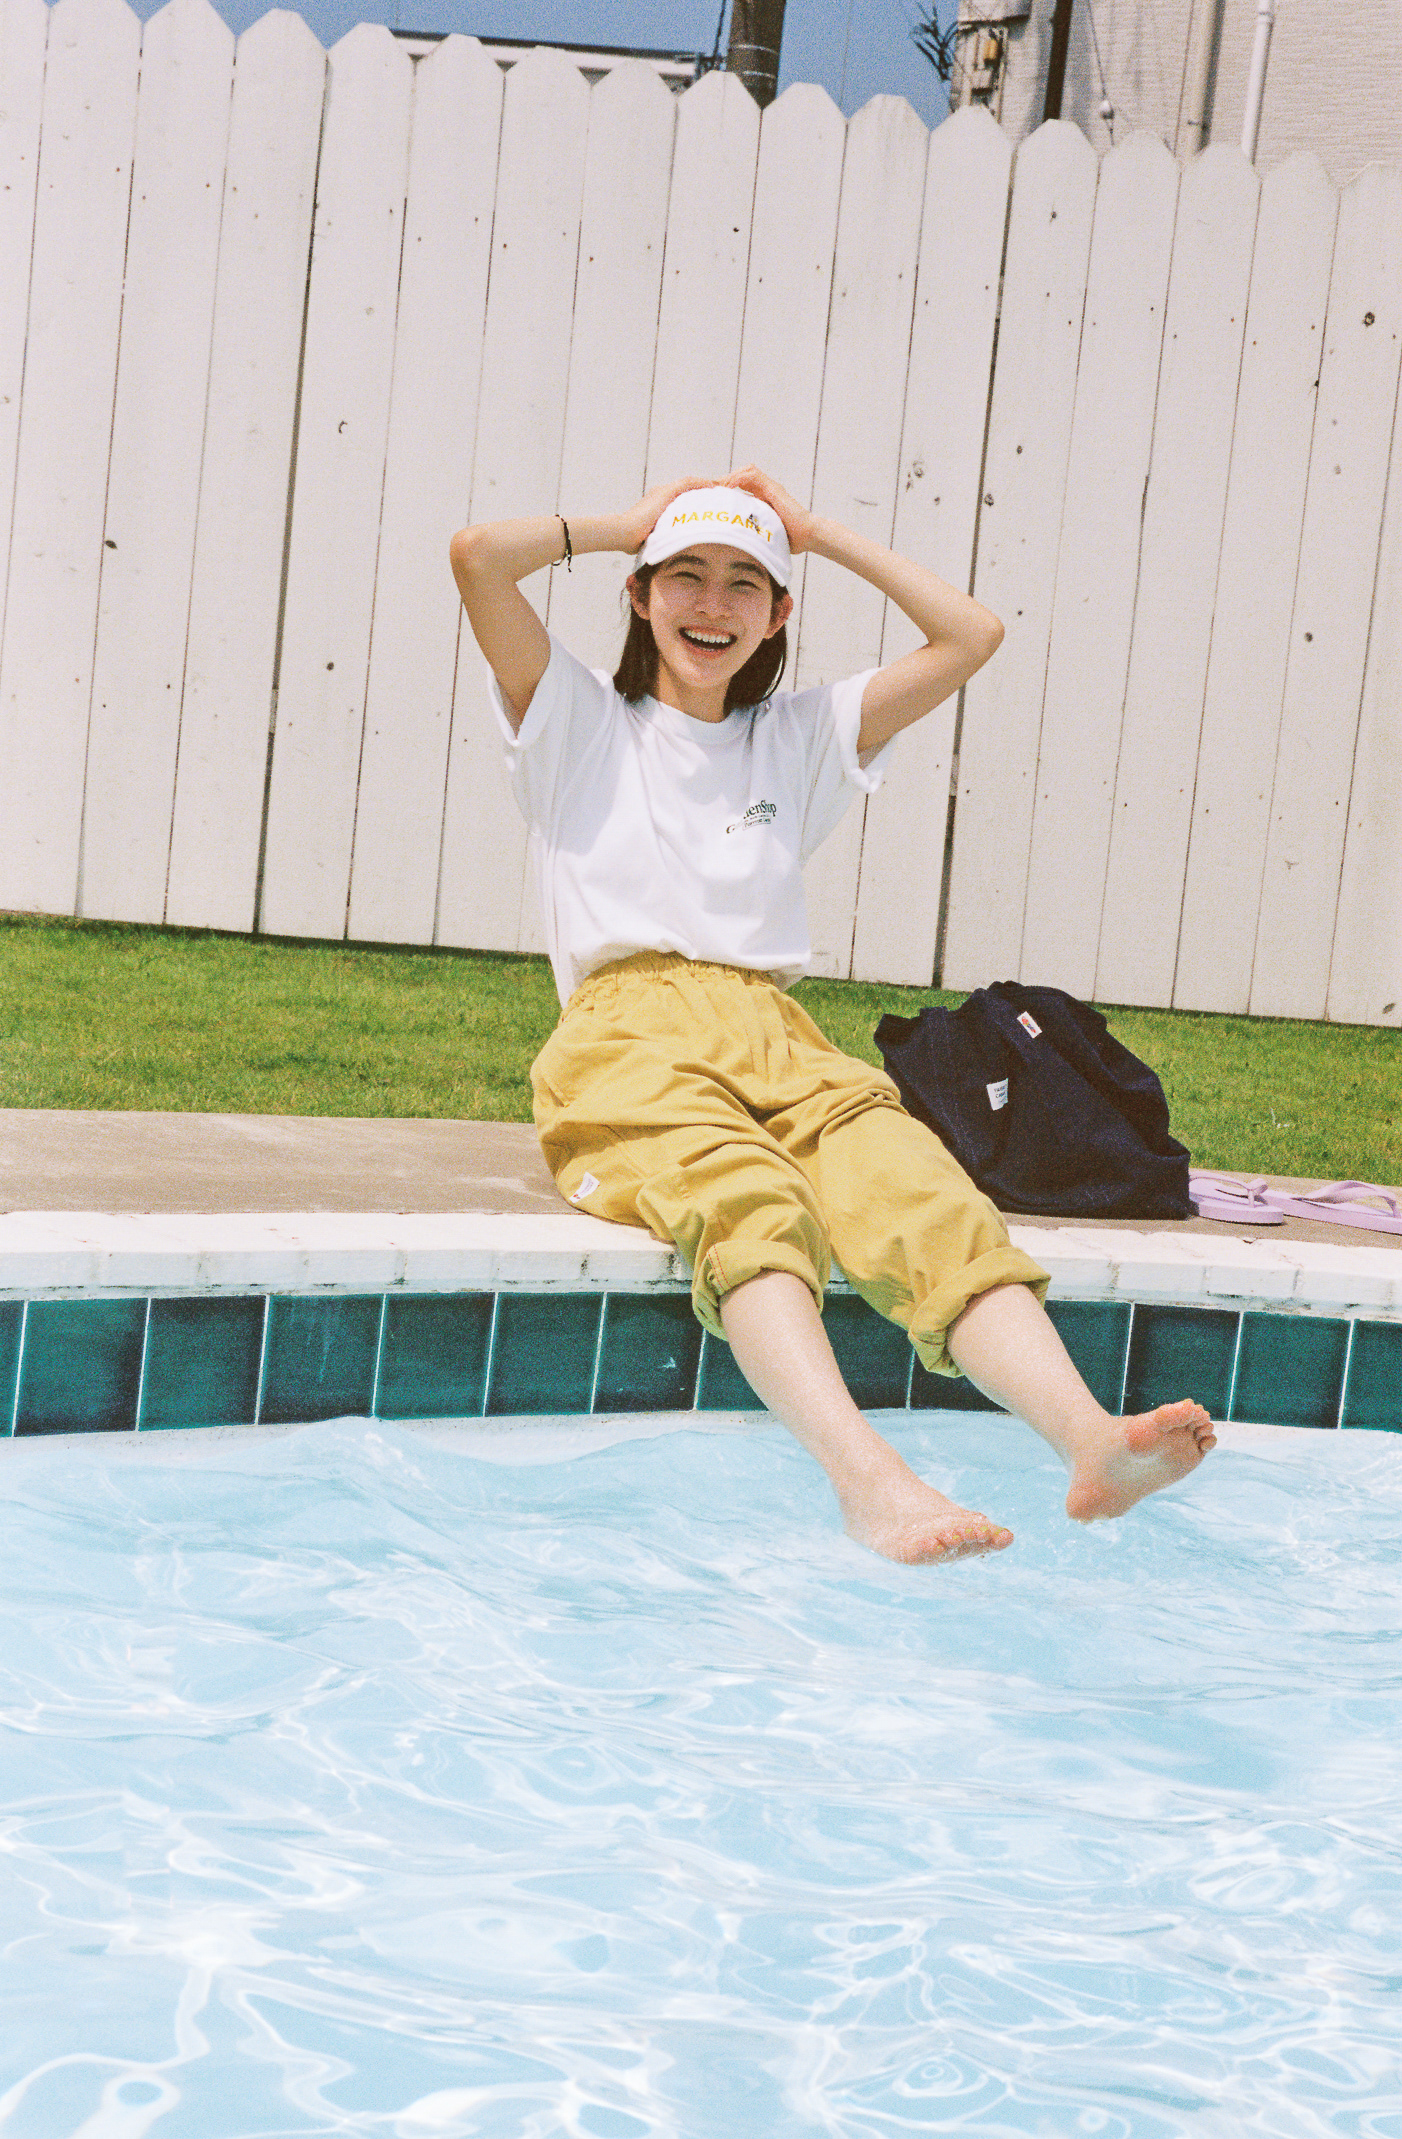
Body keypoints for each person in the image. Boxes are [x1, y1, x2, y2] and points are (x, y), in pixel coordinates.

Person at [449, 469, 1215, 1565]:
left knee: (919, 1191)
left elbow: (970, 635)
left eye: (744, 584)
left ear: (778, 613)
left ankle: (1093, 1442)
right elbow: (479, 556)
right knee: (750, 1206)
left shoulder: (799, 737)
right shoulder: (576, 718)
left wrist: (818, 533)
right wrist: (631, 524)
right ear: (639, 593)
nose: (712, 606)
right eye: (685, 576)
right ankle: (871, 1484)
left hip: (775, 1028)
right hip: (623, 1033)